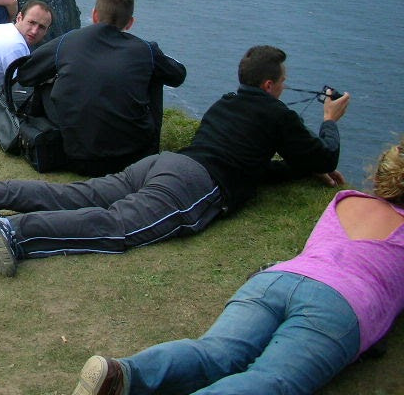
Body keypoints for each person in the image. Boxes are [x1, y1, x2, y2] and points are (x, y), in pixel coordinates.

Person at [0, 45, 350, 277]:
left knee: (76, 194)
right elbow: (324, 152)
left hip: (164, 165)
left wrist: (300, 167)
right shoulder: (277, 112)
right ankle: (13, 231)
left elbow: (252, 166)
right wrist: (330, 120)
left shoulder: (226, 104)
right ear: (272, 84)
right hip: (193, 185)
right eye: (284, 80)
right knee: (118, 226)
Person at [70, 138, 404, 395]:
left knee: (215, 353)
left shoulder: (346, 200)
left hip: (277, 279)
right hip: (339, 305)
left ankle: (122, 375)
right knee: (271, 379)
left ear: (380, 175)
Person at [18, 0, 186, 176]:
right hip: (132, 160)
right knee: (156, 75)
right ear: (130, 23)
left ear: (94, 15)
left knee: (46, 77)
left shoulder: (69, 41)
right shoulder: (146, 50)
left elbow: (26, 74)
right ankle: (152, 153)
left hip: (74, 156)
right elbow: (178, 75)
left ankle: (43, 130)